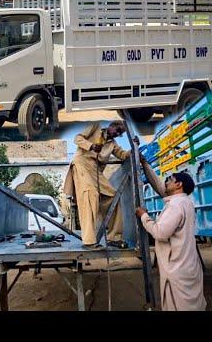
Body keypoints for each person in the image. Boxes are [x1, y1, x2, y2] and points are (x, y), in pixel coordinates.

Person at [137, 158, 206, 311]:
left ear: (178, 184)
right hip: (188, 266)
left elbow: (160, 232)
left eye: (170, 179)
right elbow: (159, 186)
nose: (166, 182)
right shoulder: (185, 202)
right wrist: (145, 164)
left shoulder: (176, 205)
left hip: (178, 268)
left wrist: (144, 216)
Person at [63, 120, 130, 248]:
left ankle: (113, 237)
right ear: (111, 125)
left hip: (95, 171)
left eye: (120, 133)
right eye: (117, 129)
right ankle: (89, 241)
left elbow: (122, 155)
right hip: (82, 164)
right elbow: (77, 138)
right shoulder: (95, 126)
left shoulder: (113, 144)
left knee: (113, 197)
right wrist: (91, 146)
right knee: (90, 196)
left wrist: (134, 150)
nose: (117, 133)